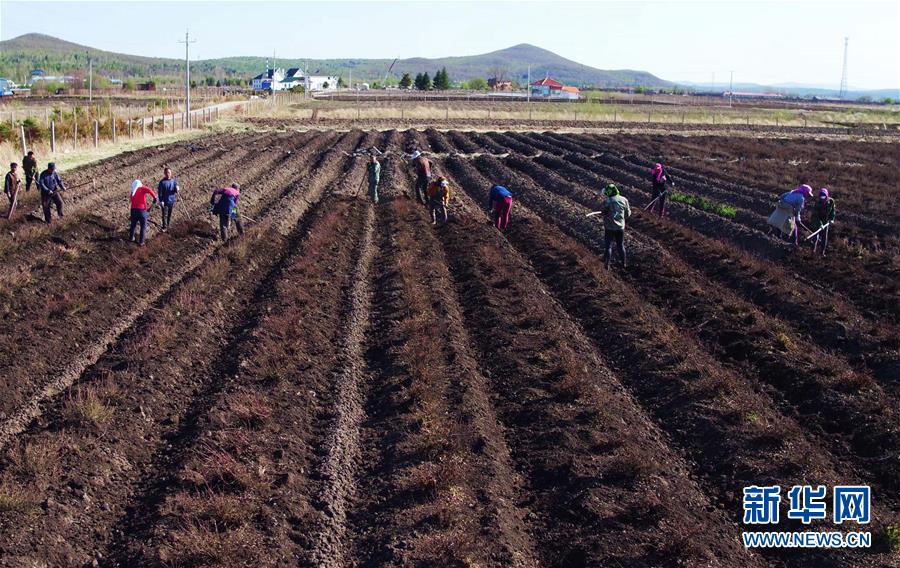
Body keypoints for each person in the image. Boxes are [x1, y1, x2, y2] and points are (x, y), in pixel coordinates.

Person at [596, 183, 631, 270]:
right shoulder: (624, 200)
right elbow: (628, 214)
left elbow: (602, 211)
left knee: (609, 246)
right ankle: (624, 263)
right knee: (620, 245)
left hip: (609, 227)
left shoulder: (607, 201)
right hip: (620, 228)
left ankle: (607, 265)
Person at [128, 180, 158, 246]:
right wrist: (155, 197)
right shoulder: (142, 188)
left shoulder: (133, 191)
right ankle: (141, 242)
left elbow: (131, 200)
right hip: (142, 210)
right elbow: (149, 190)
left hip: (133, 210)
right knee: (143, 226)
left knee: (133, 225)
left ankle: (131, 237)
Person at [809, 187, 836, 255]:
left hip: (826, 221)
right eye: (821, 196)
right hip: (816, 220)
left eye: (824, 196)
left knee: (824, 237)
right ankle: (812, 251)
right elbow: (815, 215)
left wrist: (831, 219)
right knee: (816, 236)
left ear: (827, 195)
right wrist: (820, 224)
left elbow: (832, 211)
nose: (822, 198)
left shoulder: (831, 201)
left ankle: (822, 252)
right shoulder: (817, 203)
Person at [156, 167, 179, 232]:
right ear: (164, 173)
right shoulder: (162, 182)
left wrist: (177, 189)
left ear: (171, 173)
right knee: (164, 215)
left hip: (171, 200)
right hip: (165, 201)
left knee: (169, 214)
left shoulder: (174, 181)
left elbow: (175, 190)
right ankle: (164, 227)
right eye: (166, 173)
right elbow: (160, 192)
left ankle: (168, 225)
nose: (167, 174)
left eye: (169, 172)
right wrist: (161, 201)